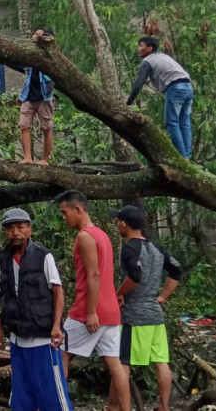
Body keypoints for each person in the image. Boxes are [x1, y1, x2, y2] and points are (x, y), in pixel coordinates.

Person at [55, 190, 130, 411]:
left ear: (77, 209)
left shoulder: (85, 236)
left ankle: (58, 405)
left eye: (64, 212)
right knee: (115, 365)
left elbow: (94, 274)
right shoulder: (102, 234)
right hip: (111, 311)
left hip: (89, 310)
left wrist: (90, 312)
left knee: (60, 353)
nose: (63, 216)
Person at [0, 208, 73, 411]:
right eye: (10, 229)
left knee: (53, 397)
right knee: (22, 397)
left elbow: (58, 292)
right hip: (18, 339)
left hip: (43, 338)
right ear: (5, 232)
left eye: (20, 227)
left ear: (29, 230)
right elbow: (6, 295)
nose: (15, 232)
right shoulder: (4, 258)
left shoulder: (43, 256)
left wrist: (56, 326)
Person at [110, 205, 182, 411]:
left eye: (118, 221)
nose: (117, 225)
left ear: (123, 223)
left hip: (133, 316)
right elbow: (176, 271)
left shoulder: (130, 248)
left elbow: (135, 275)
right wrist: (162, 297)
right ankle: (164, 406)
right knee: (161, 361)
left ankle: (122, 408)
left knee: (122, 362)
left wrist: (119, 293)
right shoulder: (157, 248)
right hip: (155, 315)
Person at [126, 36, 194, 159]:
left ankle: (182, 158)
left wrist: (129, 100)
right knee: (185, 123)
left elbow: (138, 83)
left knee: (172, 123)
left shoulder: (149, 61)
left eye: (141, 46)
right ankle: (187, 157)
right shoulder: (163, 56)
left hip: (175, 87)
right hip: (188, 87)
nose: (138, 49)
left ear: (149, 49)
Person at [18, 28, 56, 166]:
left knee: (46, 127)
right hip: (29, 96)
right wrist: (21, 95)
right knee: (23, 125)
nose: (36, 36)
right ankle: (28, 157)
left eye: (40, 34)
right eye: (35, 34)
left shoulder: (50, 55)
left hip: (44, 97)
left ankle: (45, 159)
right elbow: (28, 78)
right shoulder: (30, 54)